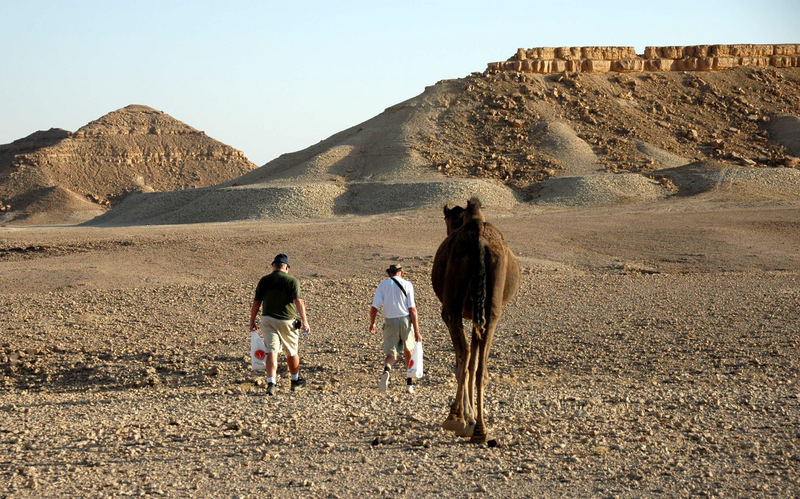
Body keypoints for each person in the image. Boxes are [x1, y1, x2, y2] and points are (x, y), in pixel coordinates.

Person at [249, 253, 310, 395]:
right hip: (287, 320)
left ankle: (271, 383)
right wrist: (305, 321)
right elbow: (298, 302)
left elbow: (257, 302)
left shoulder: (264, 280)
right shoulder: (292, 281)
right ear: (286, 267)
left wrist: (252, 321)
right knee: (291, 350)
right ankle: (295, 381)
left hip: (267, 320)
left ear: (274, 266)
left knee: (271, 351)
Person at [369, 264, 422, 393]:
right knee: (408, 352)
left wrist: (372, 323)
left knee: (391, 355)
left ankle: (387, 370)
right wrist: (417, 332)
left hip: (390, 322)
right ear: (401, 273)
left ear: (389, 274)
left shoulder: (383, 284)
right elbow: (413, 310)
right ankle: (409, 384)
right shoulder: (407, 284)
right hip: (405, 320)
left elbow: (374, 308)